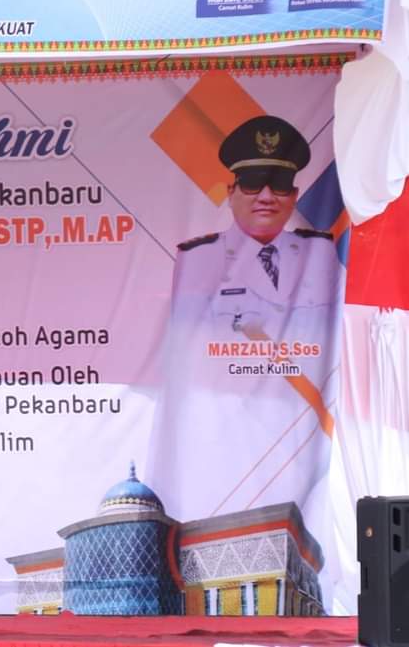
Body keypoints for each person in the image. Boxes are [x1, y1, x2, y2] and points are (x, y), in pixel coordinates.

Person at [147, 115, 344, 524]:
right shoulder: (200, 258)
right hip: (228, 431)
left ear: (295, 195)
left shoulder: (322, 254)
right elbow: (185, 358)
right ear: (231, 192)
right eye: (253, 183)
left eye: (280, 184)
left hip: (303, 435)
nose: (266, 196)